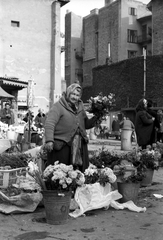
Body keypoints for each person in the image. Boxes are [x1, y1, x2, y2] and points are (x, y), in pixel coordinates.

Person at [44, 83, 98, 172]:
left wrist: (97, 117)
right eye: (73, 94)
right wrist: (49, 140)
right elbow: (50, 123)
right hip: (63, 145)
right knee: (61, 173)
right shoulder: (58, 106)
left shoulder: (80, 108)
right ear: (68, 93)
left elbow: (86, 125)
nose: (75, 97)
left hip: (79, 145)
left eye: (77, 95)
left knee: (79, 173)